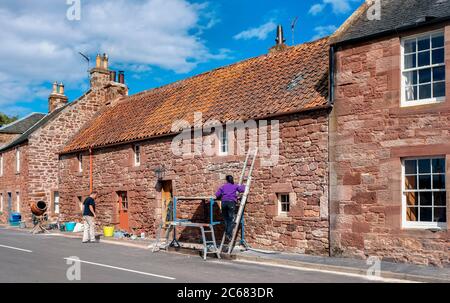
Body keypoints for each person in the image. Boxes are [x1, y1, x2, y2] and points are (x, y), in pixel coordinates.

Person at [215, 175, 245, 241]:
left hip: (224, 203)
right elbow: (242, 189)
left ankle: (228, 233)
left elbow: (217, 194)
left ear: (226, 180)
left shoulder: (223, 186)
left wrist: (222, 196)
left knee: (226, 219)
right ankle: (228, 234)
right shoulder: (235, 185)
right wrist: (243, 185)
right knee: (231, 219)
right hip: (231, 203)